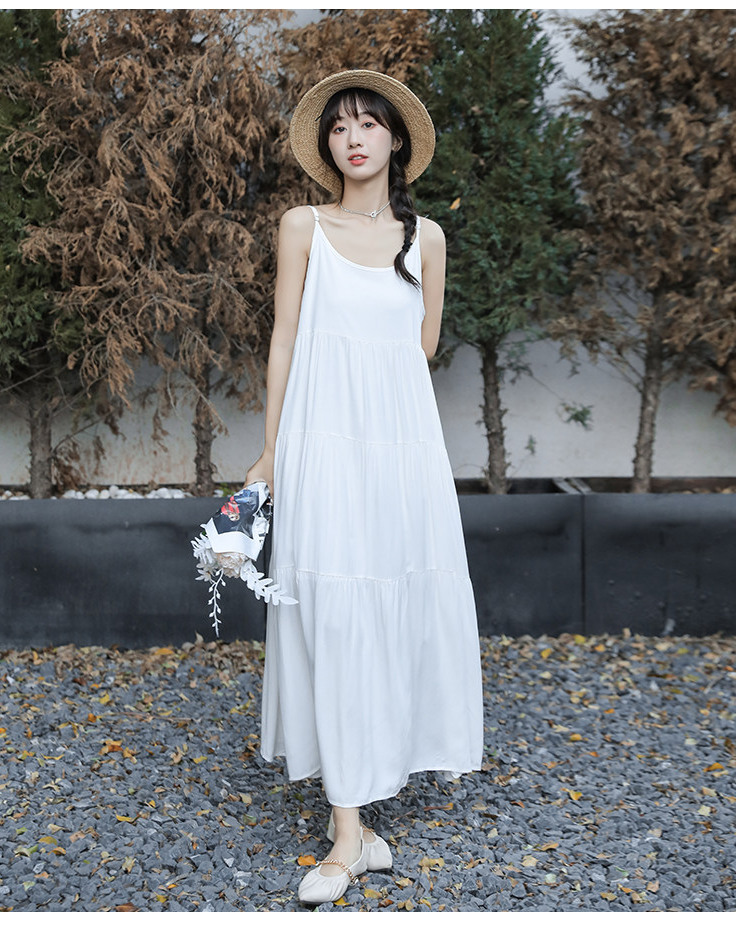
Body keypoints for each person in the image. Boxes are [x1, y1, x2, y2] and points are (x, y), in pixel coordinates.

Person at [244, 69, 484, 906]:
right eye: (340, 125)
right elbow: (283, 340)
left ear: (396, 140)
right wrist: (272, 453)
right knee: (333, 615)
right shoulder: (302, 226)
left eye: (369, 124)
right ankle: (347, 834)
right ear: (327, 144)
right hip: (321, 449)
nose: (354, 137)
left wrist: (389, 436)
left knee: (394, 615)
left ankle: (363, 820)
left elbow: (420, 350)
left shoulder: (428, 241)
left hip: (402, 459)